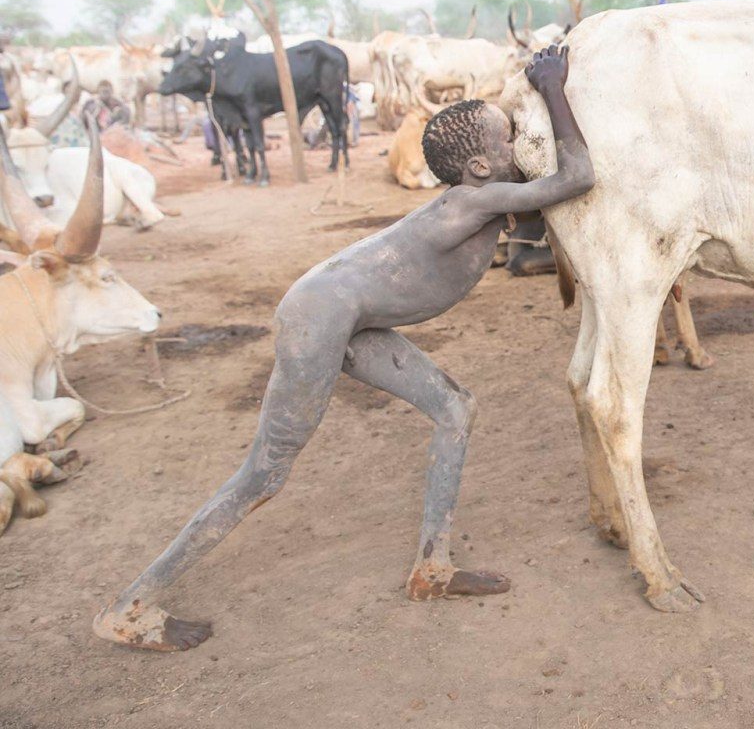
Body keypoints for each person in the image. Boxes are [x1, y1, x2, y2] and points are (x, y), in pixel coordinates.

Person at [95, 45, 593, 651]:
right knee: (265, 472)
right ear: (483, 168)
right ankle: (130, 606)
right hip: (319, 316)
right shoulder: (474, 200)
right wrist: (552, 84)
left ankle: (431, 568)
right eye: (507, 138)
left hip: (349, 313)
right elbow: (576, 177)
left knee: (455, 410)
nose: (517, 142)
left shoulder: (477, 196)